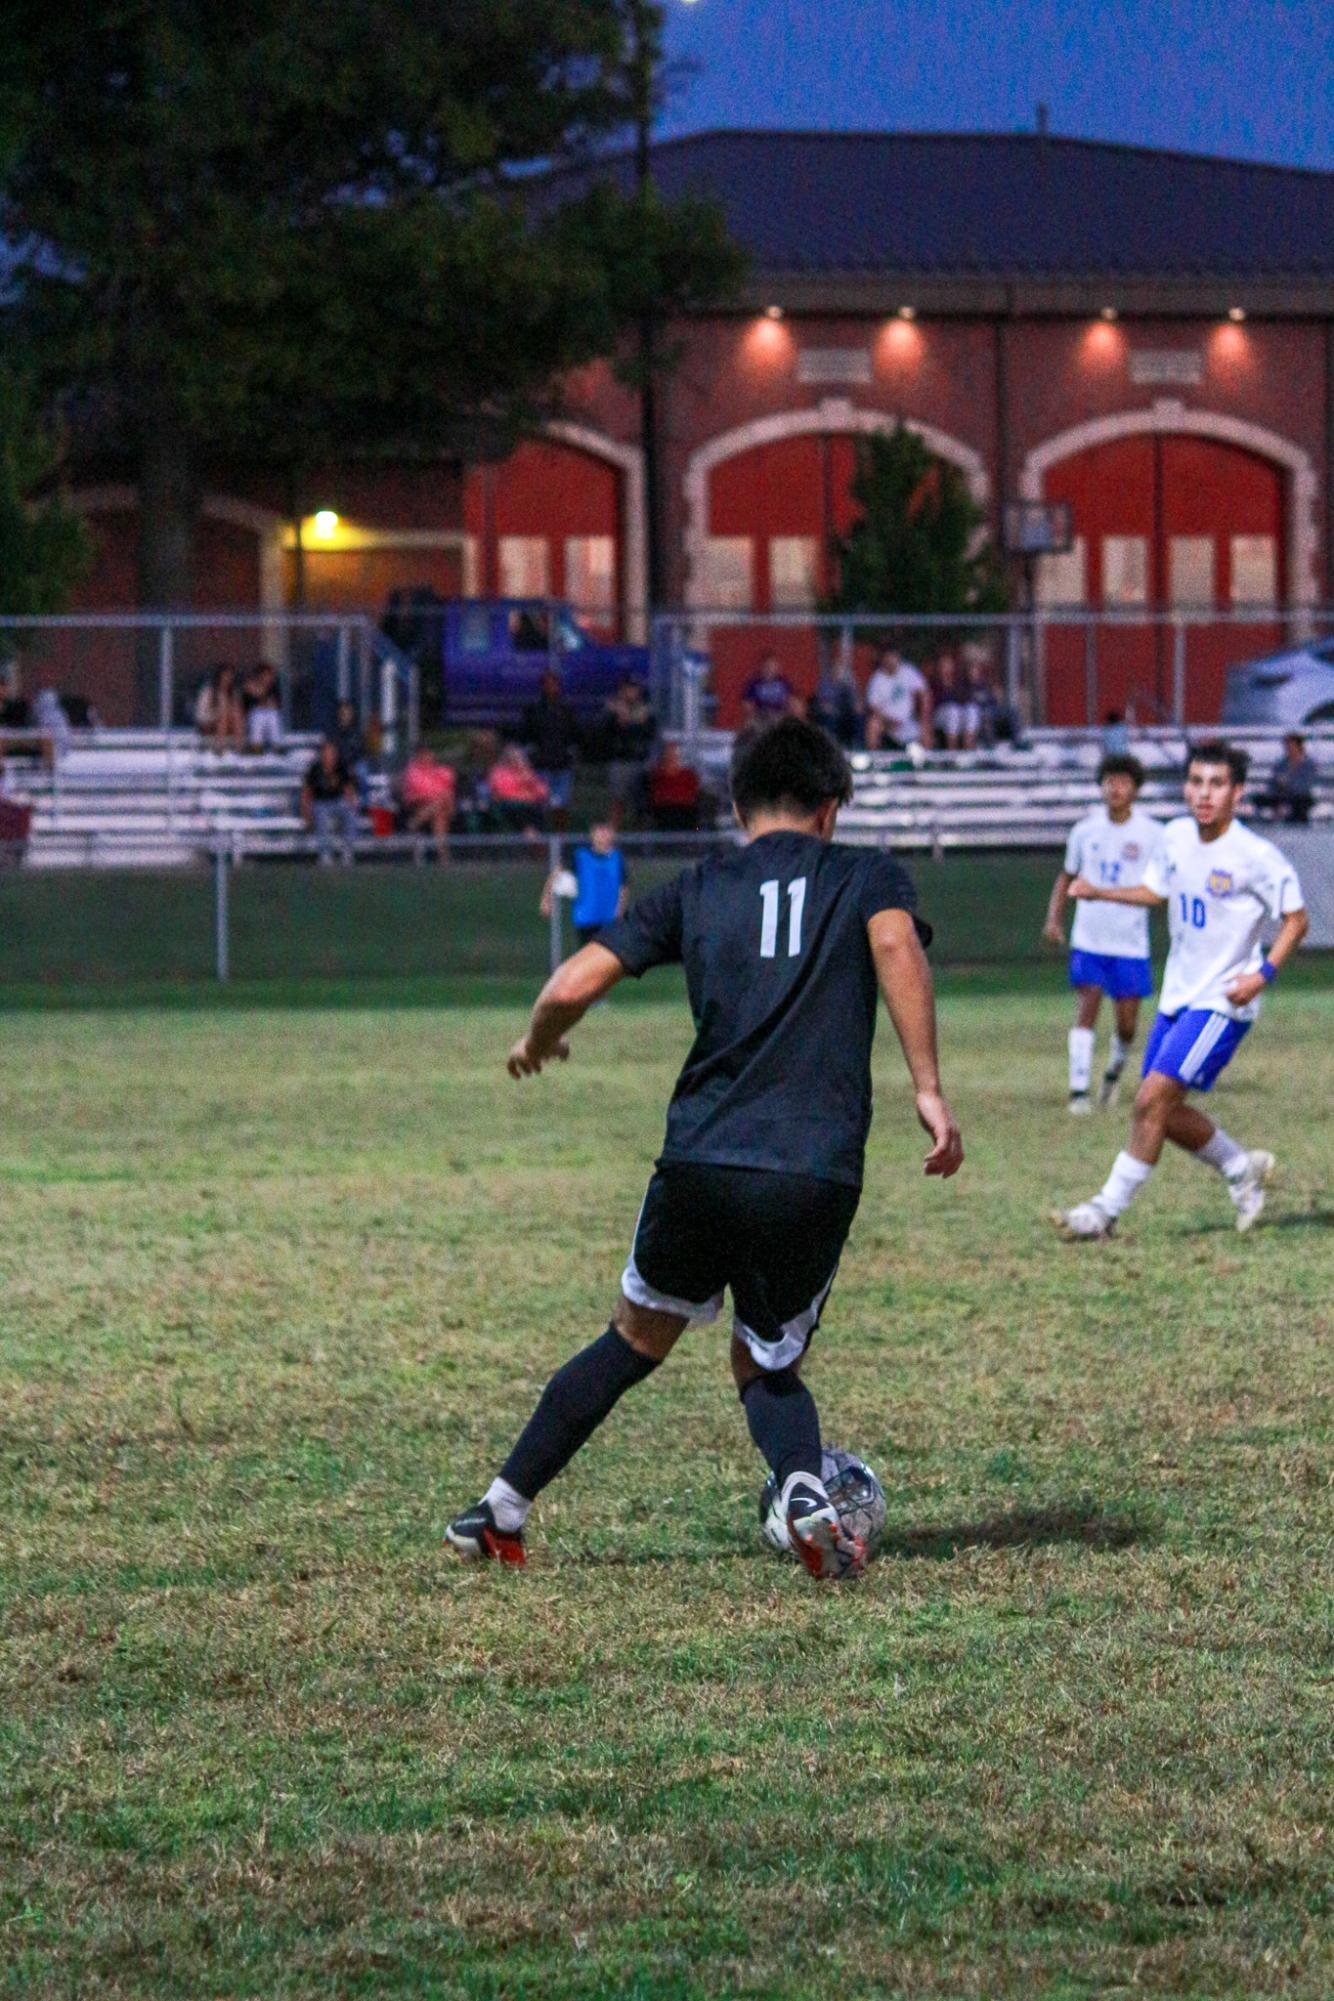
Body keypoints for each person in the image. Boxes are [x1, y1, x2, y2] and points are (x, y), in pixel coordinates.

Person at [445, 717, 963, 1576]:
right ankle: (803, 1488)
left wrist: (538, 1040)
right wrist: (929, 1089)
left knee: (632, 1338)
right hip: (811, 1168)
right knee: (767, 1360)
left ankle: (499, 1509)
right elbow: (895, 942)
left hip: (702, 1157)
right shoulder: (867, 874)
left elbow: (574, 980)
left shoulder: (698, 885)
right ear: (832, 808)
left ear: (734, 804)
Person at [1054, 740, 1308, 1240]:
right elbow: (1156, 891)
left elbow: (1297, 920)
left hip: (1223, 1000)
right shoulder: (1173, 838)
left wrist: (1262, 975)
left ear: (1237, 793)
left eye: (1216, 784)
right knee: (1161, 1112)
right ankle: (1241, 1170)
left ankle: (1103, 1213)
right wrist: (1100, 890)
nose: (1203, 793)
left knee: (1149, 1101)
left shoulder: (1256, 855)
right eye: (1195, 782)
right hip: (1178, 995)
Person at [1042, 755, 1163, 1112]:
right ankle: (1078, 1091)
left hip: (1130, 943)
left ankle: (1112, 1074)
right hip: (1089, 938)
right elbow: (1067, 876)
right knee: (1087, 1008)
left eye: (1123, 781)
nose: (1115, 787)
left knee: (1127, 1026)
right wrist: (1054, 919)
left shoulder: (1153, 834)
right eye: (1109, 780)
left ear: (1136, 788)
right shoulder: (1084, 831)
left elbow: (1163, 883)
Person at [541, 822, 629, 947]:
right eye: (600, 832)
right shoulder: (580, 856)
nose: (603, 836)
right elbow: (556, 873)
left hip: (610, 921)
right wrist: (546, 898)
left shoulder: (617, 858)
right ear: (593, 834)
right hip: (586, 920)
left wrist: (619, 912)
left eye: (606, 832)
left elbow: (623, 887)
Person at [522, 670, 579, 831]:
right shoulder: (533, 710)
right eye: (547, 684)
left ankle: (559, 841)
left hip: (562, 765)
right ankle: (541, 845)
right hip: (541, 765)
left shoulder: (566, 710)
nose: (551, 687)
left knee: (561, 806)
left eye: (554, 684)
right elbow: (527, 735)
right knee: (541, 806)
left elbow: (574, 734)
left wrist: (570, 754)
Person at [602, 676, 656, 829]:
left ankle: (642, 841)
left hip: (640, 761)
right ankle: (611, 839)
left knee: (641, 804)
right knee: (617, 801)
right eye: (627, 689)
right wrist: (618, 722)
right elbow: (605, 732)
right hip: (620, 760)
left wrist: (630, 726)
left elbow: (650, 733)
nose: (630, 692)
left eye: (633, 689)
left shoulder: (646, 710)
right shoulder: (613, 709)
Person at [301, 735, 359, 865]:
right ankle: (325, 853)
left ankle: (347, 851)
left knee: (350, 811)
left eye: (331, 752)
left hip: (338, 801)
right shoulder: (314, 769)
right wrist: (306, 813)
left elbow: (348, 789)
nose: (329, 755)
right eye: (326, 752)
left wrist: (353, 804)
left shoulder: (341, 767)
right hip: (320, 802)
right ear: (322, 754)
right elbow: (306, 792)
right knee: (320, 813)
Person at [864, 648, 931, 751]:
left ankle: (929, 762)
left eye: (893, 657)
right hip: (887, 722)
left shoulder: (908, 671)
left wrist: (923, 715)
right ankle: (875, 760)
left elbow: (924, 693)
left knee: (925, 727)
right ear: (883, 659)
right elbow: (873, 707)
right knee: (873, 724)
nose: (891, 660)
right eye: (888, 657)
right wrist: (889, 720)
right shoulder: (877, 679)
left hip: (908, 720)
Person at [399, 744, 456, 855]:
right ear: (418, 756)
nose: (428, 757)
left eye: (429, 754)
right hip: (416, 805)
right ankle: (444, 856)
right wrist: (439, 797)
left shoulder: (440, 771)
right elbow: (421, 791)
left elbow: (448, 787)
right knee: (439, 811)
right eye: (424, 754)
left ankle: (413, 824)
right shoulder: (412, 772)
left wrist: (441, 798)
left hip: (439, 806)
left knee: (439, 811)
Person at [488, 743, 549, 837]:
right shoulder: (499, 772)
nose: (516, 760)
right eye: (513, 757)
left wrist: (529, 780)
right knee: (518, 808)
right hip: (509, 806)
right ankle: (529, 834)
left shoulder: (528, 771)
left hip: (530, 806)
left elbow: (543, 792)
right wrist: (523, 787)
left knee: (541, 809)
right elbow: (503, 792)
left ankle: (535, 838)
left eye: (519, 757)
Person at [1255, 733, 1317, 825]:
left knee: (1301, 803)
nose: (1289, 749)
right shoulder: (1281, 764)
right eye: (1287, 746)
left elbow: (1306, 785)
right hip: (1281, 794)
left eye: (1291, 746)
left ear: (1299, 747)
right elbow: (1272, 782)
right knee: (1259, 799)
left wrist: (1287, 783)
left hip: (1300, 796)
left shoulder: (1308, 765)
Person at [647, 740, 703, 832]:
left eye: (674, 754)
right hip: (663, 810)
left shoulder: (689, 775)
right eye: (669, 754)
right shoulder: (656, 775)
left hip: (685, 810)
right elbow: (655, 796)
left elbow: (694, 794)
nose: (672, 757)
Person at [809, 654, 863, 748]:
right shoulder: (824, 682)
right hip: (830, 714)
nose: (838, 671)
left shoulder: (849, 682)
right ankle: (831, 746)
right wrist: (831, 709)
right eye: (836, 668)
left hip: (845, 713)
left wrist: (857, 706)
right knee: (831, 717)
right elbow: (823, 703)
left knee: (859, 716)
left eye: (841, 668)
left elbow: (855, 700)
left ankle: (857, 746)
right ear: (831, 669)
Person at [930, 652, 979, 751]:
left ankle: (969, 751)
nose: (946, 668)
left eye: (948, 665)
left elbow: (967, 699)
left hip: (958, 714)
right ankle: (952, 754)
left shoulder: (959, 683)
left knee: (971, 710)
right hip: (939, 716)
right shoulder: (934, 683)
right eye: (943, 665)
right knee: (952, 711)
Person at [195, 664, 244, 751]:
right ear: (219, 677)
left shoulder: (233, 693)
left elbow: (238, 712)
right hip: (209, 723)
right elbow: (200, 715)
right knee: (223, 717)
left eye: (230, 676)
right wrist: (218, 713)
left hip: (228, 724)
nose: (227, 679)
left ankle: (239, 748)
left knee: (235, 714)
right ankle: (219, 748)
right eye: (225, 676)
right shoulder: (209, 691)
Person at [740, 652, 795, 727]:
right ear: (762, 667)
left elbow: (791, 700)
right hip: (760, 716)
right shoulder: (753, 683)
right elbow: (747, 704)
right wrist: (757, 714)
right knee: (750, 724)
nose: (770, 669)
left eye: (773, 666)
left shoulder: (784, 682)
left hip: (779, 715)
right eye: (768, 666)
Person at [242, 661, 283, 751]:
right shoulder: (248, 686)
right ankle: (256, 747)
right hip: (251, 718)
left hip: (268, 718)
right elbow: (249, 705)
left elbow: (274, 705)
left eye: (270, 675)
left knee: (273, 715)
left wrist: (260, 695)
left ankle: (276, 747)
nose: (270, 678)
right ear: (260, 675)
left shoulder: (274, 688)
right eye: (267, 675)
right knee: (258, 714)